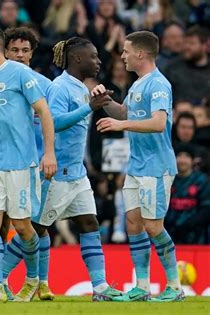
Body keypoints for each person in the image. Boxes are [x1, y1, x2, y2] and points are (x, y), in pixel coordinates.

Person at [26, 37, 121, 302]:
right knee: (33, 229)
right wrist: (88, 108)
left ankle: (100, 287)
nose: (98, 61)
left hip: (77, 174)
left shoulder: (80, 88)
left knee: (89, 223)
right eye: (93, 56)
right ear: (77, 59)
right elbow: (53, 122)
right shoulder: (60, 87)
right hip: (56, 174)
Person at [94, 30, 184, 301]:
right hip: (136, 166)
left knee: (153, 226)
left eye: (126, 50)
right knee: (133, 223)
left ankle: (175, 287)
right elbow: (125, 113)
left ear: (140, 54)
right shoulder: (137, 84)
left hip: (156, 167)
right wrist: (105, 102)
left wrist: (121, 125)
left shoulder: (158, 84)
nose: (122, 55)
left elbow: (158, 123)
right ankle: (142, 287)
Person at [0, 25, 56, 302]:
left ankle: (32, 279)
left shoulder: (21, 74)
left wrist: (49, 153)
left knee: (21, 225)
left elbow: (43, 112)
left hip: (21, 163)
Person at [0, 26, 54, 301]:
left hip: (34, 166)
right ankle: (34, 282)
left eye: (25, 51)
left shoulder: (45, 86)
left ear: (32, 54)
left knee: (32, 224)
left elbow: (55, 123)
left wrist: (50, 155)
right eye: (14, 50)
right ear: (4, 51)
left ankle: (12, 279)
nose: (19, 56)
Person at [165, 144, 210, 244]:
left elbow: (207, 208)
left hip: (195, 237)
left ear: (193, 160)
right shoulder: (167, 180)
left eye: (186, 156)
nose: (182, 160)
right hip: (168, 236)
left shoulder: (201, 180)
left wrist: (189, 225)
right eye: (179, 156)